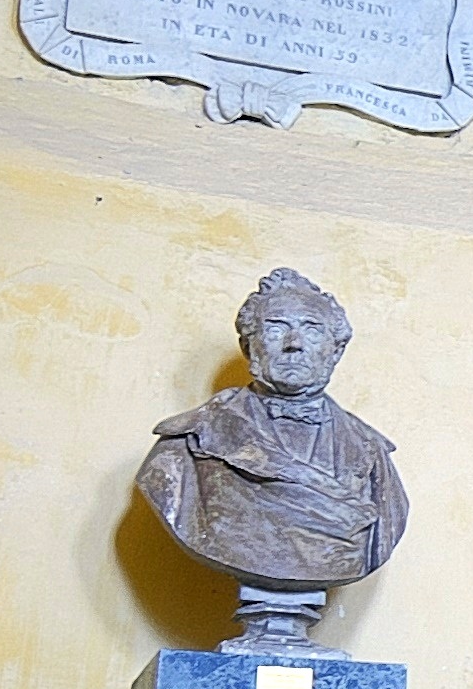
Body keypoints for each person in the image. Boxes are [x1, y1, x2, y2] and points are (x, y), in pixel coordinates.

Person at [136, 268, 406, 638]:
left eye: (312, 330)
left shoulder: (372, 454)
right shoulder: (185, 447)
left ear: (335, 349)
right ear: (250, 345)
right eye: (276, 328)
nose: (294, 344)